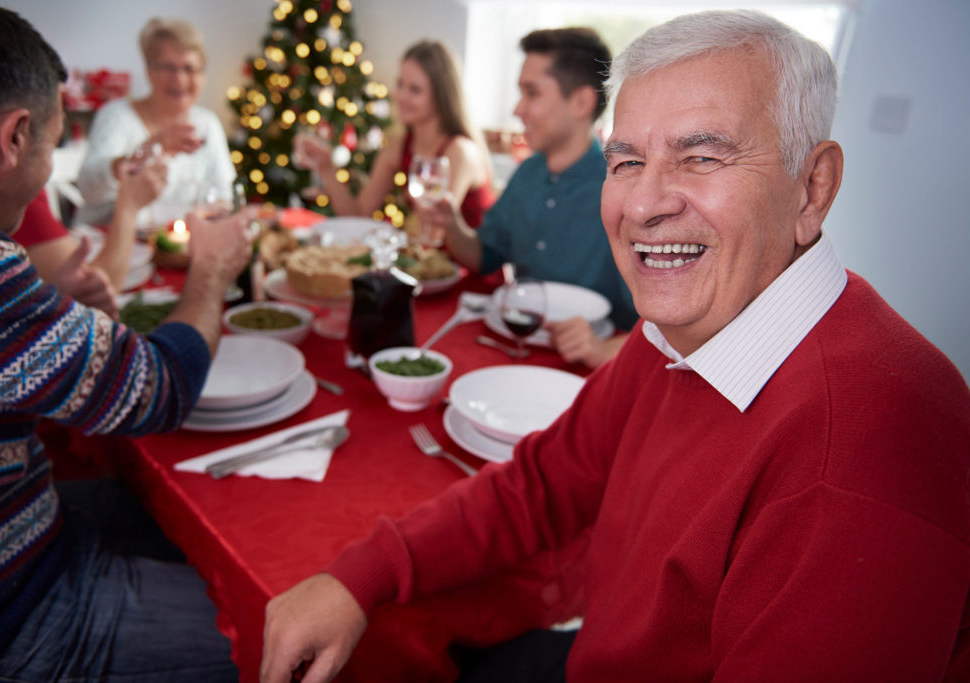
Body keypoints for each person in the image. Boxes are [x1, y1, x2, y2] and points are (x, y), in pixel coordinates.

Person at [259, 9, 970, 683]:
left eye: (700, 156)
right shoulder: (678, 330)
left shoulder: (867, 457)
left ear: (812, 189)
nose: (641, 203)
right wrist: (361, 573)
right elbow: (542, 483)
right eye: (625, 162)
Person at [0, 2, 253, 680]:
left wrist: (49, 315)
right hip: (2, 615)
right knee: (269, 628)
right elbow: (159, 389)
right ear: (16, 136)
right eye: (54, 144)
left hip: (20, 525)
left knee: (163, 507)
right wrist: (209, 275)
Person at [420, 28, 636, 369]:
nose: (517, 109)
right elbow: (485, 256)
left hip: (594, 373)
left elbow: (666, 326)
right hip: (511, 350)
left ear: (581, 102)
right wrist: (451, 224)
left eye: (531, 93)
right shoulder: (527, 174)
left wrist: (602, 349)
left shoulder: (626, 191)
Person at [296, 40, 494, 230]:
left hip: (464, 264)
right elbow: (359, 214)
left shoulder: (460, 151)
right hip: (430, 261)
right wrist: (326, 167)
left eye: (415, 90)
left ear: (441, 96)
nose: (401, 96)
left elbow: (435, 233)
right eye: (400, 84)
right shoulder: (400, 145)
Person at [75, 16, 236, 228]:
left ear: (202, 75)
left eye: (189, 68)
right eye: (168, 67)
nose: (179, 79)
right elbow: (89, 188)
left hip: (178, 245)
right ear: (149, 71)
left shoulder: (207, 123)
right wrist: (150, 148)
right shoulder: (116, 116)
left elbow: (224, 193)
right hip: (110, 241)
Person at [13, 155, 168, 317]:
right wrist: (130, 204)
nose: (52, 167)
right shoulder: (15, 191)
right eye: (52, 144)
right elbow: (98, 289)